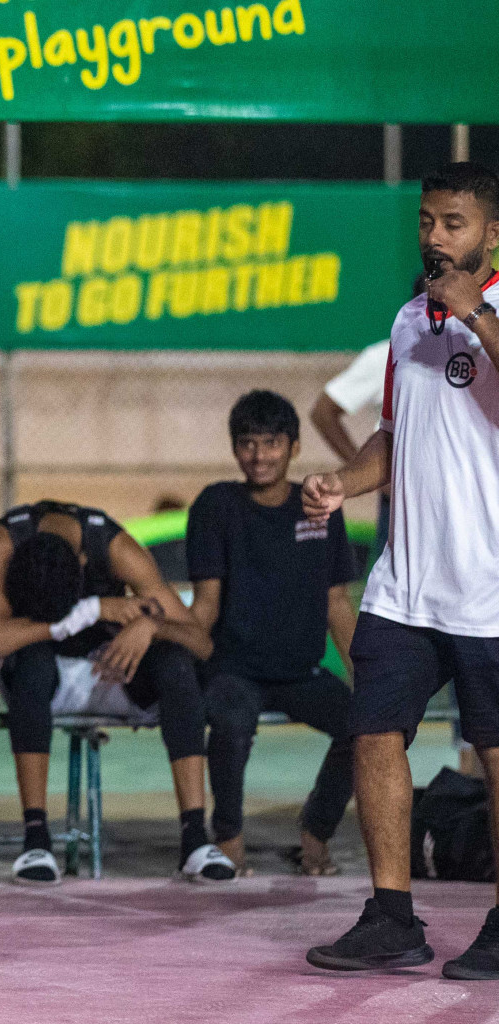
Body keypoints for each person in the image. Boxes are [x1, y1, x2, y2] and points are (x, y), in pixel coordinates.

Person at [304, 162, 499, 980]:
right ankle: (391, 916)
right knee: (373, 734)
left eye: (452, 222)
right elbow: (392, 432)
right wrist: (340, 482)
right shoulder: (406, 322)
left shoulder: (482, 311)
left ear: (490, 231)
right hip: (405, 588)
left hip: (491, 594)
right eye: (426, 220)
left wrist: (478, 318)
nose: (433, 236)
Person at [0, 500, 234, 886]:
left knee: (176, 666)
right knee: (31, 662)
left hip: (112, 671)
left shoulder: (116, 547)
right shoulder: (3, 539)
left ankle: (195, 839)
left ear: (83, 563)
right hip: (43, 685)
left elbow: (201, 643)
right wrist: (91, 610)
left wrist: (151, 626)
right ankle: (37, 840)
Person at [188, 390, 357, 877]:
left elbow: (336, 604)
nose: (259, 455)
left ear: (295, 447)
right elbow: (205, 606)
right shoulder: (216, 506)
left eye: (271, 442)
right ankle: (229, 840)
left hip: (301, 672)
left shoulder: (321, 506)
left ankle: (316, 832)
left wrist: (365, 674)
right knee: (233, 724)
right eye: (247, 443)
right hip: (233, 669)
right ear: (234, 448)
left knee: (363, 724)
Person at [310, 277, 427, 564]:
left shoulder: (476, 352)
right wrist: (363, 473)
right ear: (415, 305)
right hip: (400, 499)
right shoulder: (387, 354)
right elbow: (323, 411)